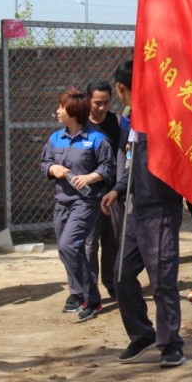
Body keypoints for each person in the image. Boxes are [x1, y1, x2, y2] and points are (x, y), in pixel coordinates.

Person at [101, 61, 186, 368]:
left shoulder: (166, 117)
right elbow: (129, 159)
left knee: (162, 280)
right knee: (121, 275)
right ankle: (142, 334)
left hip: (161, 209)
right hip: (134, 210)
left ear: (120, 88)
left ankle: (171, 344)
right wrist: (118, 188)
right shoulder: (130, 120)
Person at [40, 88, 115, 321]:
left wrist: (91, 177)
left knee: (69, 246)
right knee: (69, 250)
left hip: (85, 202)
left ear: (73, 112)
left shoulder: (97, 139)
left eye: (61, 107)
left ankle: (92, 300)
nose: (57, 111)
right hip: (61, 202)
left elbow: (108, 167)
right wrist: (53, 168)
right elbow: (45, 163)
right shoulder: (55, 138)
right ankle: (79, 294)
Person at [85, 79, 121, 298]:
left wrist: (121, 182)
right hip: (87, 194)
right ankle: (89, 288)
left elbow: (127, 151)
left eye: (106, 102)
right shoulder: (80, 123)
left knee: (112, 240)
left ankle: (110, 281)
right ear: (88, 100)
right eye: (97, 103)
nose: (101, 108)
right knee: (89, 243)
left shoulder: (117, 122)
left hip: (111, 191)